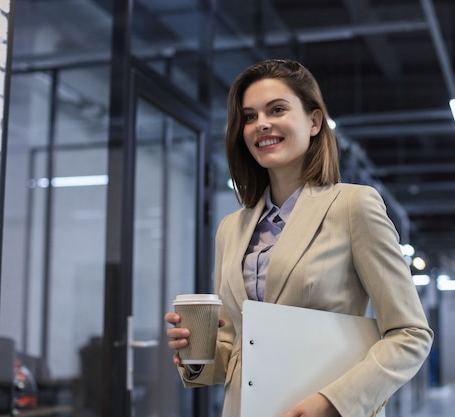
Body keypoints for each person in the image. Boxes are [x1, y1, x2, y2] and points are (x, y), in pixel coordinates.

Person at [165, 59, 433, 417]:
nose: (261, 124)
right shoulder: (232, 228)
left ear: (314, 121)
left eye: (276, 110)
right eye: (249, 116)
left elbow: (411, 334)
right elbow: (237, 346)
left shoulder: (354, 206)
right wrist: (196, 355)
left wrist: (335, 402)